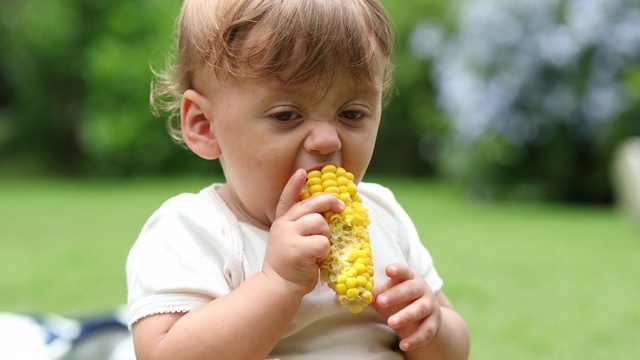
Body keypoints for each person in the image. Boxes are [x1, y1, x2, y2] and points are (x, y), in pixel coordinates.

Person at [126, 0, 470, 359]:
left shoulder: (383, 214)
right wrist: (277, 282)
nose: (327, 140)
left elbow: (454, 351)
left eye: (351, 113)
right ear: (204, 125)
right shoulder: (193, 230)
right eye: (287, 115)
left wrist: (432, 327)